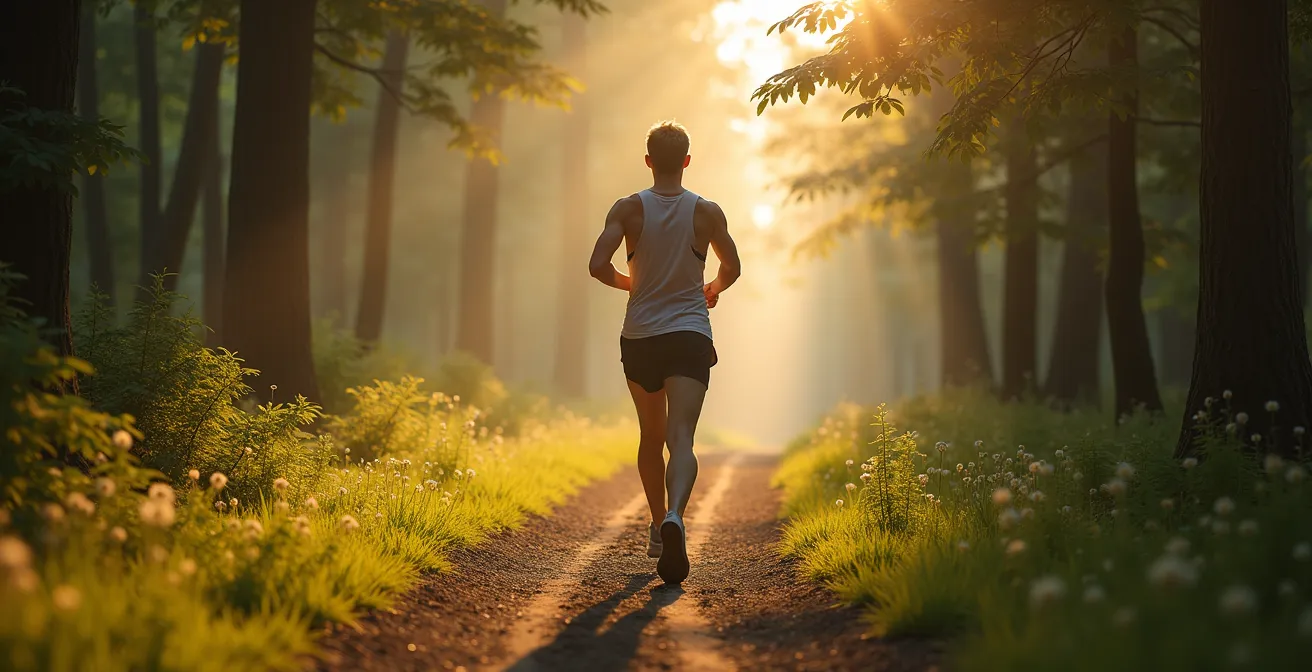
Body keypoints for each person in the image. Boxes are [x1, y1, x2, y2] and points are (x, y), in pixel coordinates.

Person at [587, 120, 741, 584]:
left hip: (641, 338)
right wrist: (709, 288)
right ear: (688, 161)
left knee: (650, 436)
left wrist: (632, 283)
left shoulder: (628, 209)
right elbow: (732, 266)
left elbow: (597, 266)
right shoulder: (707, 211)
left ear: (649, 160)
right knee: (682, 439)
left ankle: (657, 526)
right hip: (690, 335)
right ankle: (675, 514)